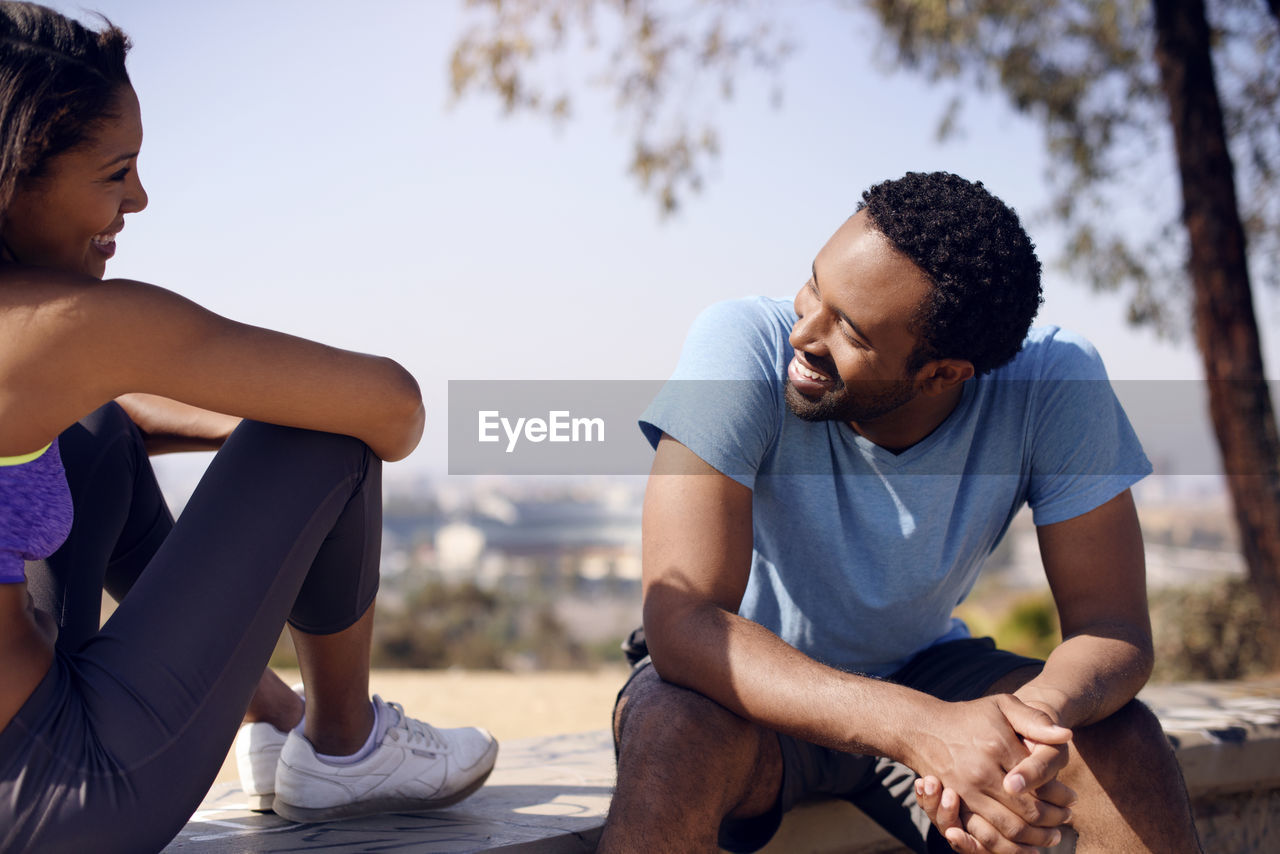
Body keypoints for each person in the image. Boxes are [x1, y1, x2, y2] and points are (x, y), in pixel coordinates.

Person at [0, 4, 497, 852]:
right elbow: (393, 408)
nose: (140, 198)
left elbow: (81, 412)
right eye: (116, 171)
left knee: (99, 430)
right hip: (58, 797)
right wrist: (275, 445)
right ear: (13, 176)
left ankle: (271, 716)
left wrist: (220, 429)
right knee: (324, 432)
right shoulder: (63, 328)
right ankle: (343, 746)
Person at [602, 172, 1203, 854]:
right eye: (813, 287)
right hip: (746, 694)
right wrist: (923, 729)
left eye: (850, 332)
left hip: (928, 671)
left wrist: (1022, 732)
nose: (803, 332)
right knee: (673, 726)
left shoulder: (1052, 382)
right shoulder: (739, 342)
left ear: (943, 374)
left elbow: (1112, 627)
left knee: (1121, 739)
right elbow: (683, 624)